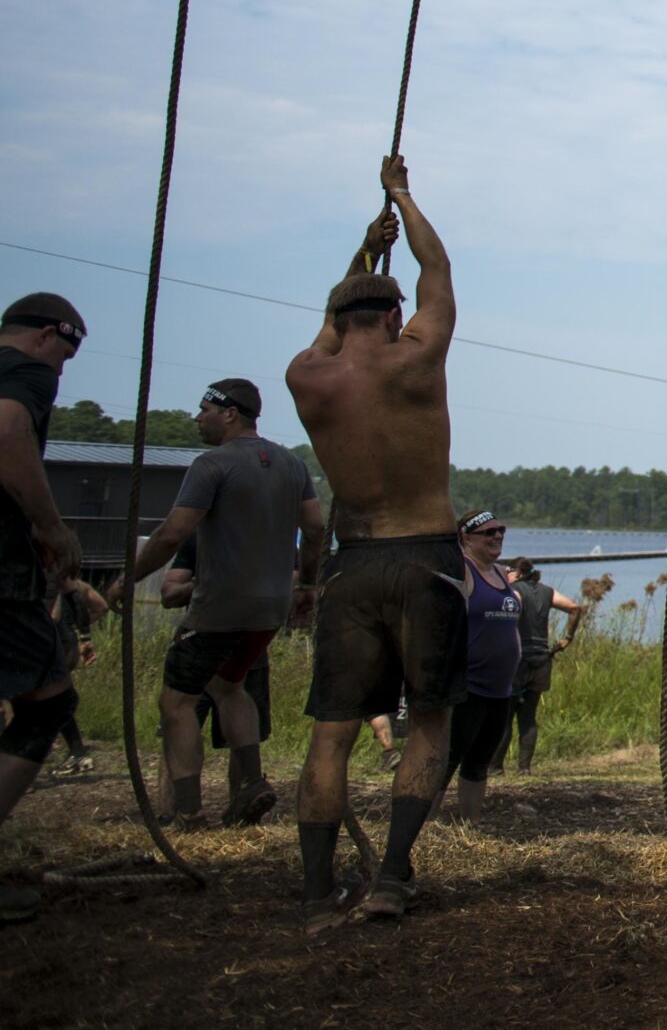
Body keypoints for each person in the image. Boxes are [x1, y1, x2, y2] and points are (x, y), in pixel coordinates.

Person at [285, 158, 465, 929]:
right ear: (393, 317)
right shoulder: (418, 355)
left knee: (332, 733)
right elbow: (436, 265)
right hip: (426, 554)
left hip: (352, 561)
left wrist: (360, 255)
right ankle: (392, 875)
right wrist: (402, 196)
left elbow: (334, 326)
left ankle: (317, 889)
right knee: (428, 719)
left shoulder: (306, 377)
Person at [106, 378, 323, 831]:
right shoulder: (293, 464)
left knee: (176, 704)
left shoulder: (212, 464)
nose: (197, 417)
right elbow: (317, 529)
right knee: (229, 686)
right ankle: (250, 783)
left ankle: (187, 812)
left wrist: (129, 580)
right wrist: (307, 584)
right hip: (269, 609)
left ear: (230, 413)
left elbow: (171, 533)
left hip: (219, 606)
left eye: (204, 409)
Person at [0, 293, 89, 924]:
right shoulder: (26, 373)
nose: (64, 369)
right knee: (49, 704)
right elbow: (7, 430)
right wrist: (50, 525)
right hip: (2, 576)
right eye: (68, 351)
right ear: (45, 336)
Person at [160, 536, 277, 798]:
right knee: (177, 716)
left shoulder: (275, 538)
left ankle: (243, 802)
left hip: (249, 642)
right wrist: (205, 584)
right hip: (202, 637)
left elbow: (293, 584)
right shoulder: (199, 540)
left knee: (243, 729)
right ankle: (174, 811)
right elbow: (169, 594)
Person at [436, 511, 521, 823]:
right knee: (447, 760)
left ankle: (470, 826)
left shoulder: (501, 575)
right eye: (488, 533)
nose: (497, 536)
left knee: (479, 761)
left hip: (501, 689)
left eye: (500, 530)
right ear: (466, 538)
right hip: (467, 687)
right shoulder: (462, 572)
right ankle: (424, 826)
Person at [498, 557, 582, 773]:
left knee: (505, 716)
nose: (504, 573)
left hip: (517, 660)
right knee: (528, 716)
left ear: (517, 573)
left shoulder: (513, 591)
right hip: (542, 658)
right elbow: (574, 608)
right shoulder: (547, 591)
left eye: (508, 570)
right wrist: (567, 638)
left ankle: (495, 767)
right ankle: (524, 768)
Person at [48, 577, 105, 775]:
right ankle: (77, 752)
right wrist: (84, 634)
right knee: (53, 698)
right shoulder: (74, 582)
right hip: (65, 639)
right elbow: (100, 606)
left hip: (51, 641)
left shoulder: (43, 568)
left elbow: (53, 616)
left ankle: (18, 764)